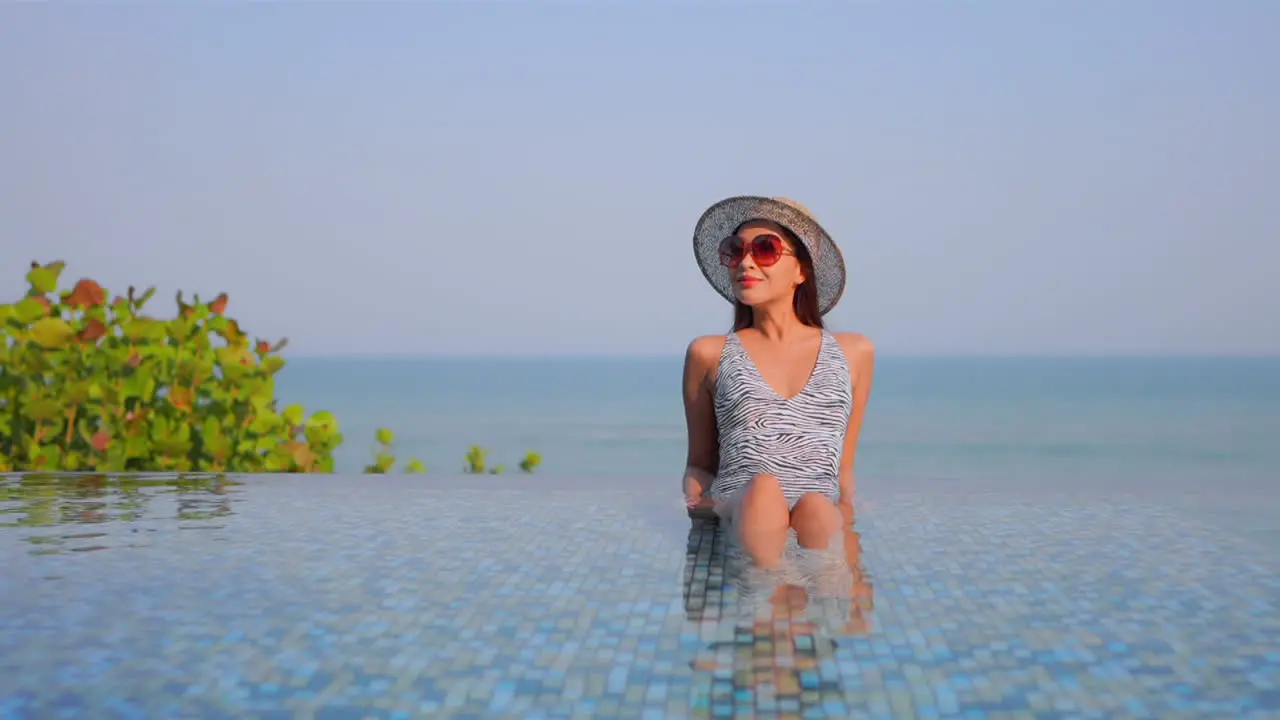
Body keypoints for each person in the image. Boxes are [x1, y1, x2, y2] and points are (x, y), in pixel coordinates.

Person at [682, 196, 875, 570]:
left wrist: (856, 564)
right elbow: (700, 464)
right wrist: (696, 511)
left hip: (816, 514)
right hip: (739, 507)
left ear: (801, 269)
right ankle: (766, 601)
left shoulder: (854, 352)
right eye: (734, 251)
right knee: (766, 490)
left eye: (765, 249)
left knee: (817, 505)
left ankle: (820, 597)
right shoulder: (709, 354)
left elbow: (843, 472)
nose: (745, 262)